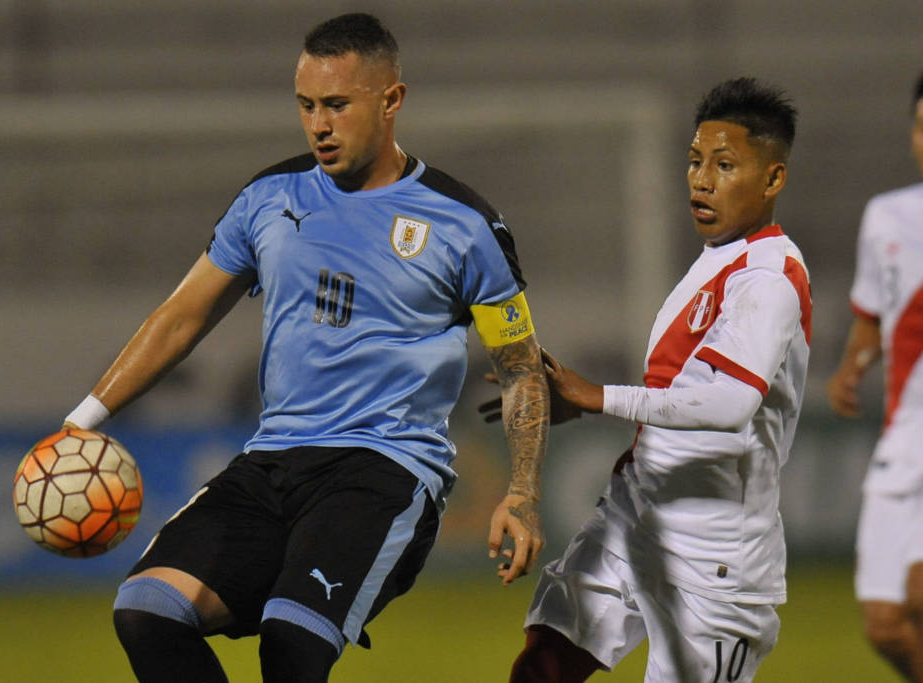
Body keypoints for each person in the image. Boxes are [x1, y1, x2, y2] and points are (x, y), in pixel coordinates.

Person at [60, 13, 549, 683]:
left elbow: (521, 368)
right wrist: (80, 421)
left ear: (391, 101)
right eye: (307, 105)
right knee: (146, 610)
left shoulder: (465, 224)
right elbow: (182, 315)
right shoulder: (268, 198)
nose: (318, 123)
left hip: (383, 471)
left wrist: (520, 491)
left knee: (291, 643)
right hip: (271, 461)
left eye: (337, 105)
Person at [490, 77, 811, 681]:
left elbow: (731, 402)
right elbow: (683, 389)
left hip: (715, 558)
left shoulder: (768, 276)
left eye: (724, 164)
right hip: (638, 517)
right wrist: (578, 403)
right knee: (542, 667)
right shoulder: (718, 258)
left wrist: (599, 395)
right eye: (695, 161)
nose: (701, 179)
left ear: (772, 179)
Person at [826, 71, 923, 681]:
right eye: (920, 127)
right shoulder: (886, 216)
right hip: (903, 440)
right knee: (886, 623)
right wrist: (851, 367)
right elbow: (873, 314)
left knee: (921, 593)